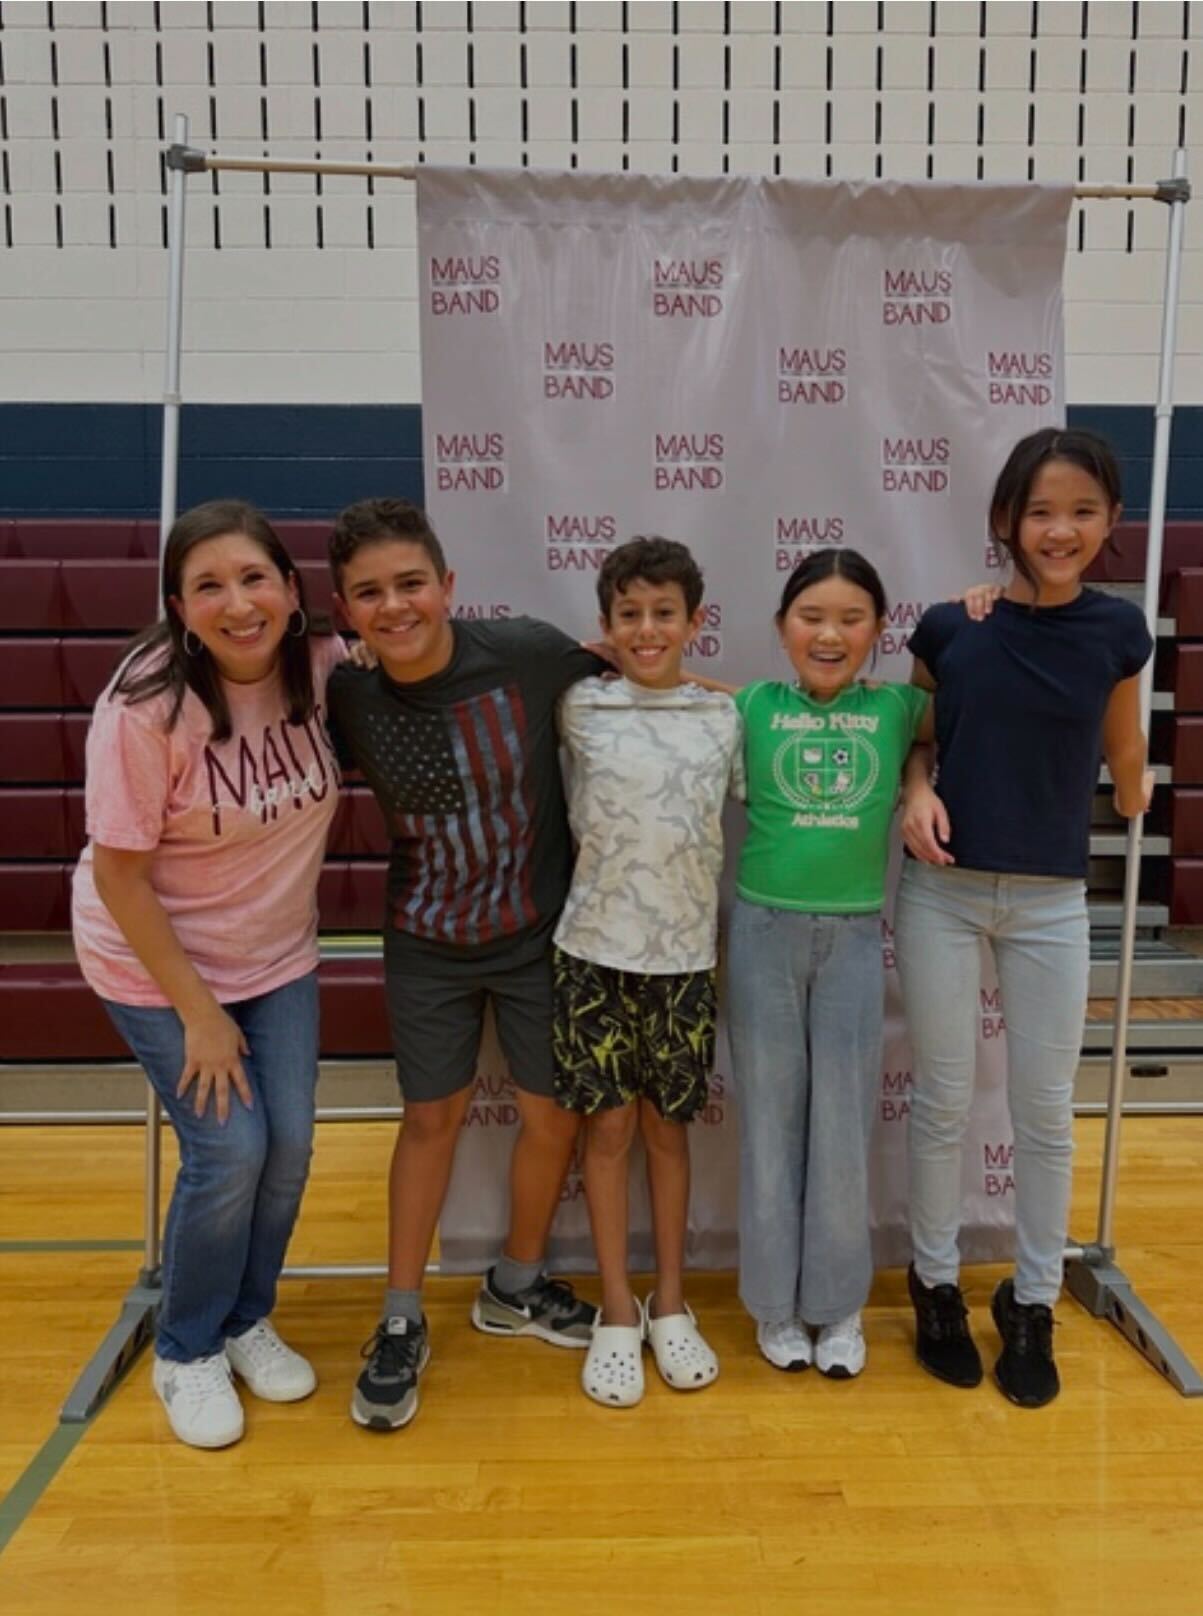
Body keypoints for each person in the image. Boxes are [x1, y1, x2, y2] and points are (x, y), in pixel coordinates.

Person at [325, 497, 604, 1433]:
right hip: (424, 942)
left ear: (448, 587)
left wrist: (773, 710)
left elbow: (649, 673)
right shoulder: (346, 692)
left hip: (535, 934)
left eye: (410, 584)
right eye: (369, 594)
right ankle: (400, 1315)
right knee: (429, 1120)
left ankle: (513, 1285)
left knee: (552, 1117)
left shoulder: (526, 651)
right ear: (346, 610)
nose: (393, 606)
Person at [71, 500, 344, 1449]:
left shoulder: (320, 667)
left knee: (293, 1145)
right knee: (230, 1151)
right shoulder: (146, 707)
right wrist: (199, 1013)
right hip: (155, 961)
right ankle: (185, 1350)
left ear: (291, 590)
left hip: (274, 953)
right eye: (209, 587)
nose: (238, 603)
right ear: (180, 609)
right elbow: (119, 873)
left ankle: (242, 1318)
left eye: (254, 577)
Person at [896, 427, 1153, 1409]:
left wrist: (1134, 787)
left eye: (1083, 510)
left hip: (1051, 899)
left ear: (1111, 523)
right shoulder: (949, 628)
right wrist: (914, 792)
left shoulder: (1118, 633)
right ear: (1005, 518)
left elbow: (1125, 755)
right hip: (946, 894)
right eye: (1041, 510)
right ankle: (934, 1283)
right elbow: (916, 745)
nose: (1061, 528)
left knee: (1046, 1112)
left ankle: (1033, 1296)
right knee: (945, 1100)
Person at [728, 549, 931, 1381]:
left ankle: (838, 1306)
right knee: (770, 1125)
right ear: (780, 628)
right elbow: (674, 690)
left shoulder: (897, 706)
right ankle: (774, 1306)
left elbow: (964, 710)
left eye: (852, 619)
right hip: (760, 934)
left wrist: (918, 784)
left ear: (878, 632)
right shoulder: (748, 704)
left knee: (844, 1127)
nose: (830, 633)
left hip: (852, 937)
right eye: (811, 616)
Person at [552, 537, 742, 1408]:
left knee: (669, 1135)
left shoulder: (725, 719)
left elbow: (769, 722)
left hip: (685, 961)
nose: (646, 628)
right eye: (628, 614)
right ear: (605, 624)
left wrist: (715, 689)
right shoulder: (578, 709)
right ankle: (618, 1311)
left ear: (696, 622)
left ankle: (671, 1301)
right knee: (608, 1136)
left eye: (664, 613)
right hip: (590, 952)